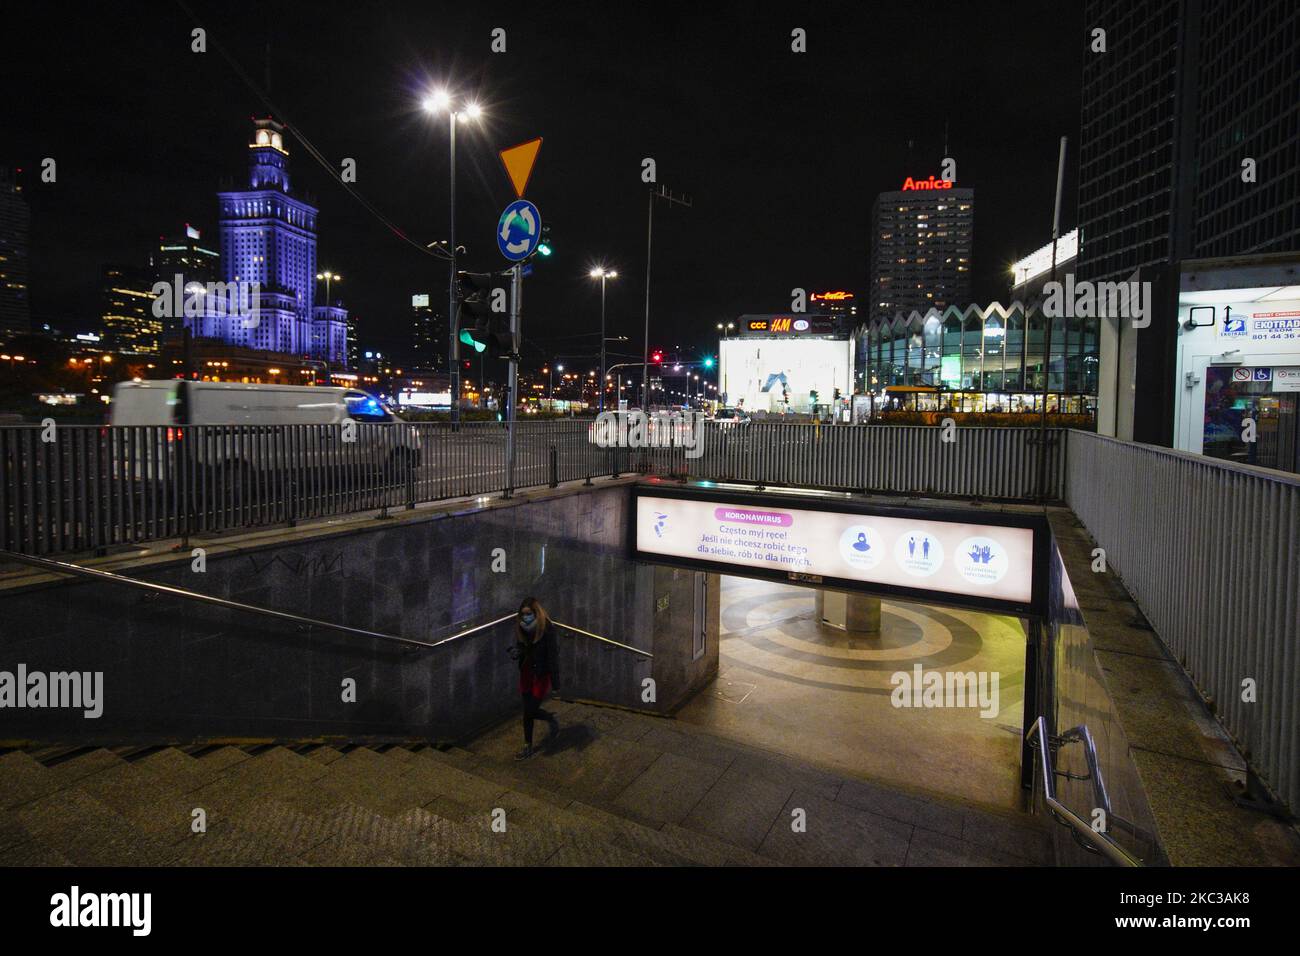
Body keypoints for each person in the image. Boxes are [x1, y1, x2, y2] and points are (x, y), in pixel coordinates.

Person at [512, 597, 560, 760]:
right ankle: (528, 743)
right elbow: (521, 647)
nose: (526, 617)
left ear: (536, 613)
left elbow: (553, 656)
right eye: (523, 614)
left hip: (540, 675)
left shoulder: (546, 629)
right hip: (526, 673)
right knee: (528, 710)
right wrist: (516, 652)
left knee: (529, 711)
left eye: (529, 614)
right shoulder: (522, 628)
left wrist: (555, 682)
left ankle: (528, 745)